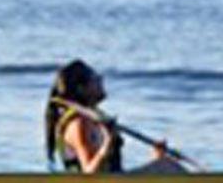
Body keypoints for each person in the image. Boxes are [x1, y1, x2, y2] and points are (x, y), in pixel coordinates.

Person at [44, 60, 184, 175]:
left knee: (164, 164)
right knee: (168, 167)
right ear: (81, 89)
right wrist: (107, 143)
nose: (101, 79)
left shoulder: (94, 117)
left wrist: (157, 156)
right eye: (95, 78)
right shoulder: (78, 124)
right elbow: (89, 175)